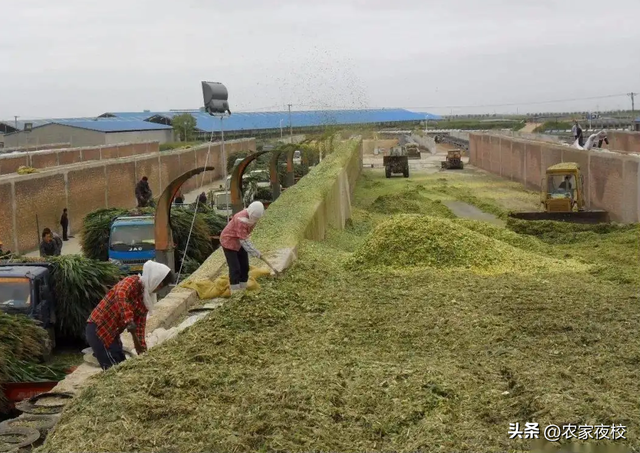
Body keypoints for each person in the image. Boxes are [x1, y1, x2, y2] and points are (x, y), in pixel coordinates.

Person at [85, 261, 174, 370]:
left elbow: (140, 329)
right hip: (98, 329)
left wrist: (143, 352)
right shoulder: (132, 281)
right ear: (155, 279)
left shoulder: (144, 301)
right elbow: (121, 294)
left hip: (113, 334)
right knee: (113, 370)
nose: (159, 288)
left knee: (122, 365)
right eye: (161, 284)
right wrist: (129, 320)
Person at [219, 201, 277, 294]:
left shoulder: (252, 218)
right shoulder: (240, 219)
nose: (255, 220)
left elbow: (244, 238)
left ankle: (243, 288)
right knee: (235, 268)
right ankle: (235, 291)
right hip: (229, 242)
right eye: (254, 217)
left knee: (245, 266)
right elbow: (244, 241)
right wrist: (256, 252)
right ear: (251, 213)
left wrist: (254, 250)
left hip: (239, 241)